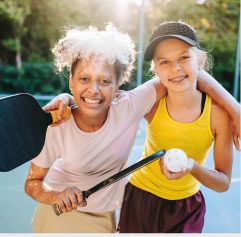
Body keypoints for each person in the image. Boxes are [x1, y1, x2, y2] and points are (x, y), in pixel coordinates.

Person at [25, 23, 240, 233]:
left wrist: (236, 110)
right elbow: (32, 183)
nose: (94, 90)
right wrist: (56, 196)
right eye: (84, 79)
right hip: (58, 213)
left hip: (104, 217)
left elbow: (185, 73)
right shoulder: (58, 124)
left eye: (105, 81)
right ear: (71, 82)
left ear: (119, 83)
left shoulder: (131, 105)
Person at [118, 21, 234, 233]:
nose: (176, 68)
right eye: (164, 62)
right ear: (156, 70)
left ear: (200, 59)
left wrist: (193, 167)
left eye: (184, 57)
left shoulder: (218, 116)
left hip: (187, 209)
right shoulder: (153, 103)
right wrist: (66, 100)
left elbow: (224, 182)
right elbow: (108, 106)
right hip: (139, 197)